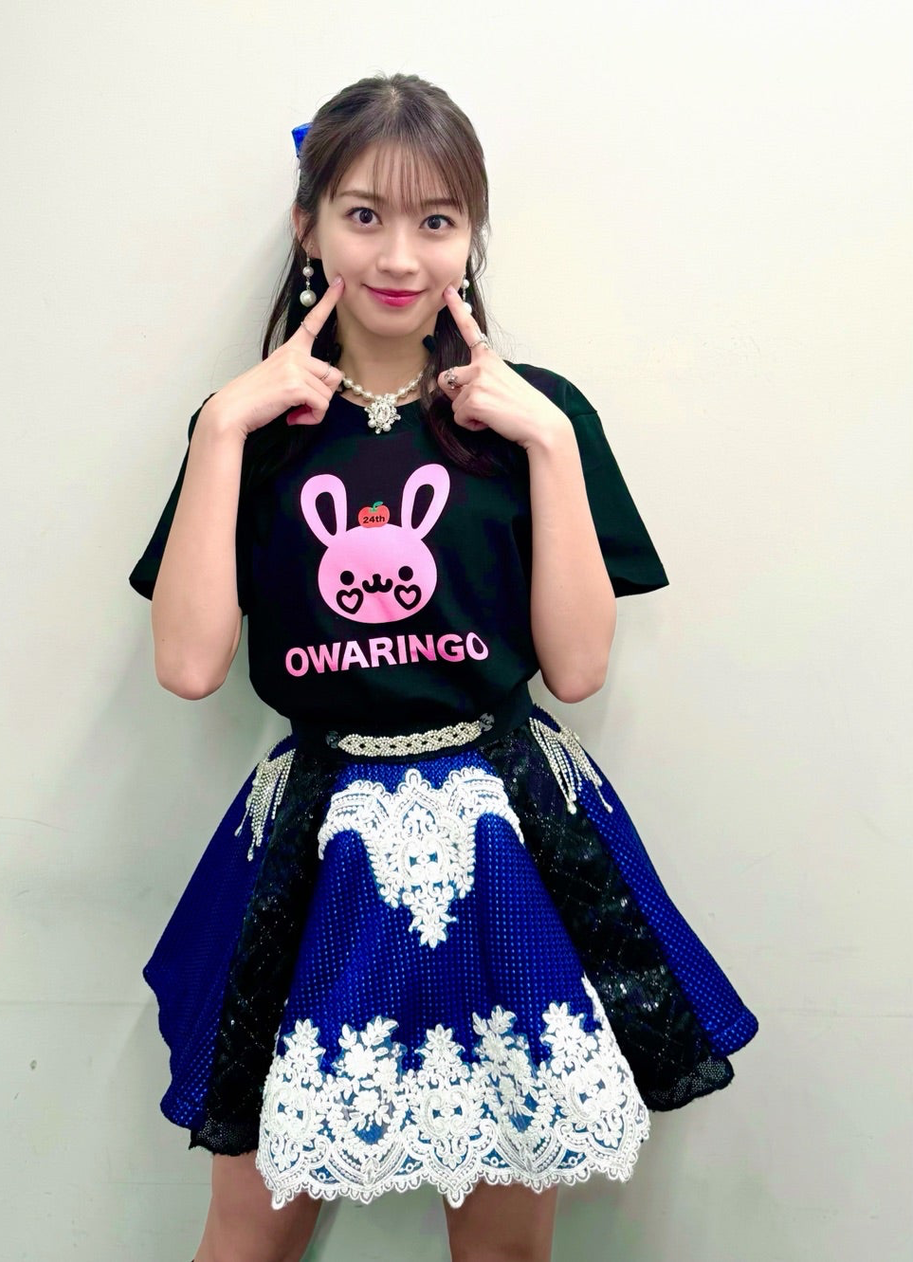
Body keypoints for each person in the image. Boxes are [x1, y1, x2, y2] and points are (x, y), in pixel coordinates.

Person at [128, 73, 758, 1262]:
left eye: (435, 219)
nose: (398, 254)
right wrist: (220, 430)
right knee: (247, 1233)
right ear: (309, 225)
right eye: (363, 214)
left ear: (470, 234)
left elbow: (577, 667)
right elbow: (190, 662)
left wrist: (549, 441)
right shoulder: (245, 425)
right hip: (315, 839)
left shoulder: (539, 414)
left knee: (506, 1244)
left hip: (505, 836)